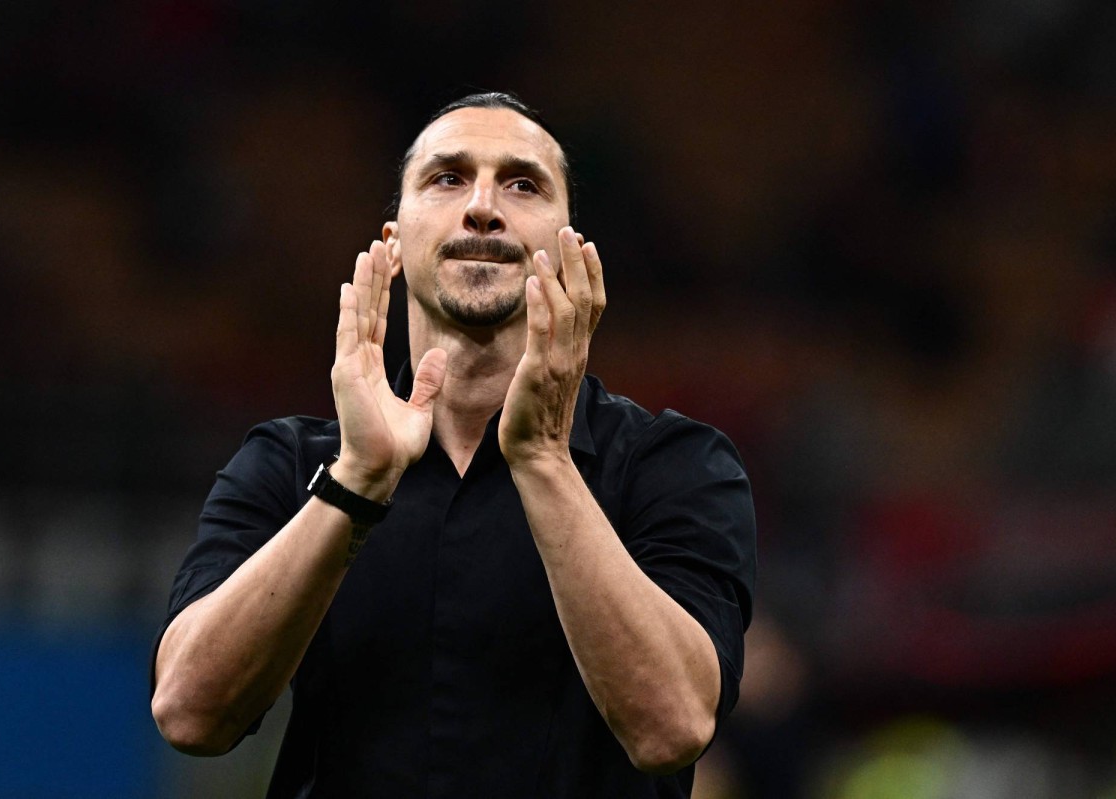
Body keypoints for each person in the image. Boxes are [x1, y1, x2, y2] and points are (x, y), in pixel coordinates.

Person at [150, 91, 757, 798]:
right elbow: (189, 714)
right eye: (447, 178)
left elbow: (672, 728)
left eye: (523, 184)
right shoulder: (288, 464)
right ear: (394, 240)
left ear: (571, 249)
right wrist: (357, 481)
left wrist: (543, 460)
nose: (482, 207)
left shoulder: (675, 466)